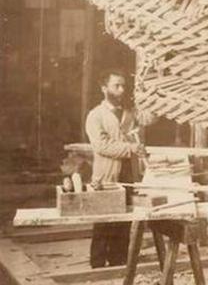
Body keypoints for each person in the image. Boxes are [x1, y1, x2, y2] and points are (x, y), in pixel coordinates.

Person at [85, 69, 146, 268]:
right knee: (104, 222)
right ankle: (98, 266)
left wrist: (153, 96)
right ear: (104, 89)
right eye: (116, 86)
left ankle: (119, 264)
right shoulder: (96, 116)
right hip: (106, 177)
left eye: (123, 86)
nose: (121, 90)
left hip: (129, 174)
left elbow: (149, 119)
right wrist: (131, 148)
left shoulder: (130, 113)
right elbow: (102, 146)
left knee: (125, 221)